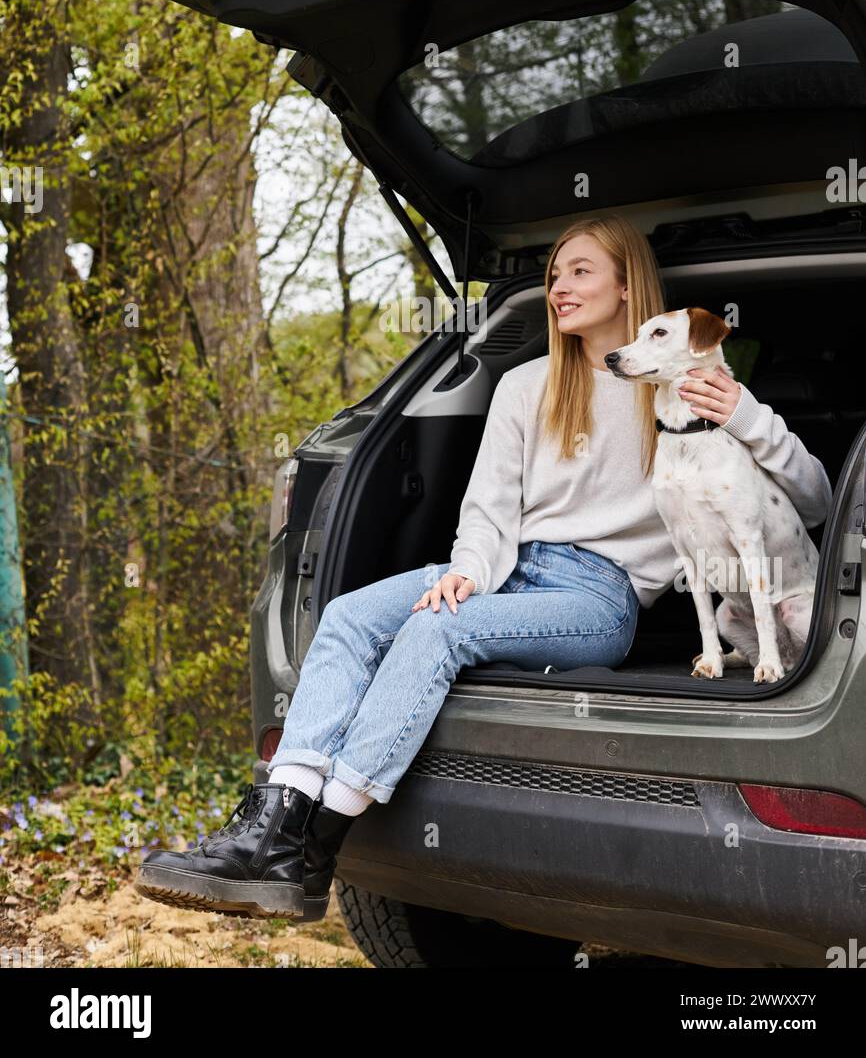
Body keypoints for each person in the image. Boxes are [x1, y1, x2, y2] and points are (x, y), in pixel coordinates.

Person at [135, 214, 832, 921]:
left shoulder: (682, 382)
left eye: (580, 271)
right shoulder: (527, 385)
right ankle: (269, 833)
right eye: (554, 273)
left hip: (599, 598)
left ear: (628, 287)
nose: (559, 287)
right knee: (346, 618)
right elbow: (489, 504)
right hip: (511, 570)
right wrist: (468, 568)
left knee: (438, 631)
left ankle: (314, 847)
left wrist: (746, 413)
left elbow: (812, 500)